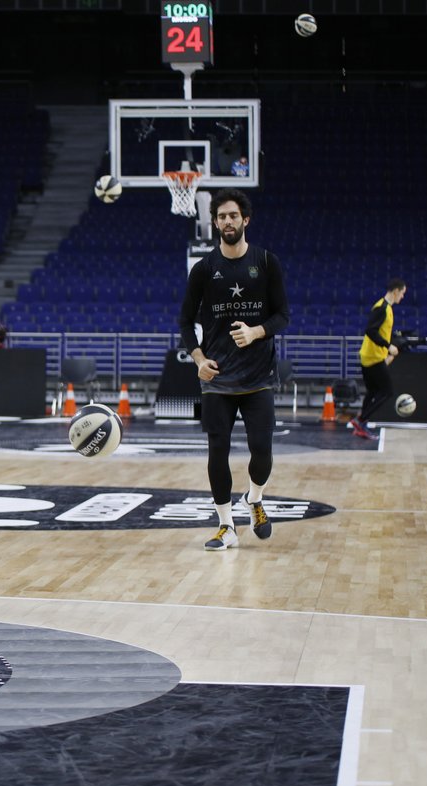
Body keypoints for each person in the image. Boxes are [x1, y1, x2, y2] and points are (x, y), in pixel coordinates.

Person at [178, 188, 290, 551]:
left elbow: (283, 316)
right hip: (218, 378)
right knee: (217, 451)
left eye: (233, 216)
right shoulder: (203, 269)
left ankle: (254, 498)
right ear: (215, 223)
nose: (228, 221)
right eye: (222, 216)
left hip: (259, 377)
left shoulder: (267, 262)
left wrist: (256, 331)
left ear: (246, 220)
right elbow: (184, 322)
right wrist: (198, 359)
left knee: (262, 451)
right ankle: (226, 526)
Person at [351, 278, 407, 440]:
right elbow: (370, 330)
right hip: (372, 357)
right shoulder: (382, 308)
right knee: (387, 391)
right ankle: (361, 420)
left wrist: (390, 347)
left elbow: (381, 332)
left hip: (371, 355)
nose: (402, 297)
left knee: (374, 391)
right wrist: (388, 346)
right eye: (402, 293)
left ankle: (361, 424)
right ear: (396, 291)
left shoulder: (387, 308)